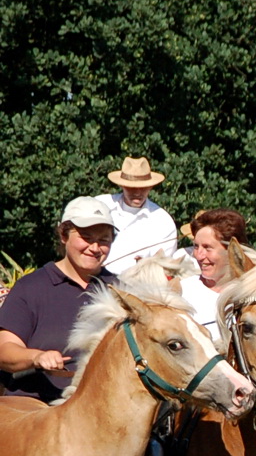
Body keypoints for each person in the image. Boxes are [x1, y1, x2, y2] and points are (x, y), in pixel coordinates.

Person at [0, 198, 117, 402]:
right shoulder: (31, 287)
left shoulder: (119, 290)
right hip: (36, 408)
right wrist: (36, 357)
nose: (95, 247)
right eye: (86, 237)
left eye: (104, 240)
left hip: (102, 409)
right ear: (64, 236)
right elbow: (4, 351)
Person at [177, 209, 249, 338]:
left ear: (231, 250)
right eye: (196, 246)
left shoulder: (251, 294)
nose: (199, 255)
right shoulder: (181, 291)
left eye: (207, 247)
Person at [102, 156, 179, 274]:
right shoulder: (101, 205)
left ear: (150, 187)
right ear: (121, 186)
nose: (137, 193)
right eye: (131, 188)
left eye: (143, 188)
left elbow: (162, 270)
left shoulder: (162, 221)